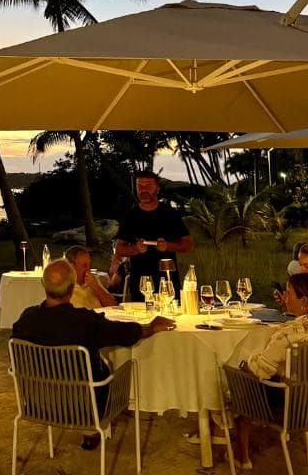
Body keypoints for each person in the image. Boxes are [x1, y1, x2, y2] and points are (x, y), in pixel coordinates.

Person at [12, 259, 173, 450]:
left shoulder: (25, 320)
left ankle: (89, 433)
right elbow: (127, 334)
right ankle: (91, 429)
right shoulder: (85, 322)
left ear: (43, 285)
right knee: (130, 364)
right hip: (88, 407)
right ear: (72, 288)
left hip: (39, 404)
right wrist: (152, 327)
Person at [234, 273, 308, 469]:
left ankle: (241, 457)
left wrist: (242, 366)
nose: (285, 296)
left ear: (304, 300)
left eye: (288, 292)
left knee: (238, 381)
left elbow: (261, 369)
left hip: (294, 405)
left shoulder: (290, 333)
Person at [113, 171, 194, 301]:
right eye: (140, 186)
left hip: (168, 280)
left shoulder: (170, 214)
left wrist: (168, 246)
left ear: (157, 188)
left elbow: (188, 244)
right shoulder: (130, 216)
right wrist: (136, 249)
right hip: (141, 284)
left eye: (148, 186)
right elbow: (119, 249)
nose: (144, 190)